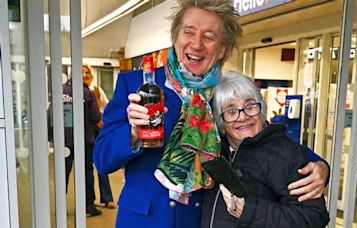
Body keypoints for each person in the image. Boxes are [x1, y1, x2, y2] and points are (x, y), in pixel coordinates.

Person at [94, 0, 329, 227]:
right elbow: (102, 160)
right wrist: (133, 132)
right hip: (143, 221)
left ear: (221, 50)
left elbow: (264, 139)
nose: (196, 44)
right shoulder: (137, 85)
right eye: (189, 32)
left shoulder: (225, 96)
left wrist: (319, 165)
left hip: (198, 219)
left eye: (209, 36)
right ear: (175, 37)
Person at [201, 72, 330, 227]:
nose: (242, 117)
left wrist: (250, 211)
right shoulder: (213, 151)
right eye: (231, 111)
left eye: (250, 106)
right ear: (220, 121)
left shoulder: (285, 154)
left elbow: (315, 217)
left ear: (261, 109)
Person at [62, 69, 102, 216]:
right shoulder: (87, 93)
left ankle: (60, 203)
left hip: (64, 141)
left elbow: (50, 115)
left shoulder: (61, 91)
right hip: (84, 140)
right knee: (86, 172)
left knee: (63, 172)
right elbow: (95, 117)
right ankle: (88, 205)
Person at [82, 64, 116, 209]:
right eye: (82, 72)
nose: (85, 75)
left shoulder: (96, 90)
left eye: (87, 72)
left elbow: (107, 108)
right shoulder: (76, 92)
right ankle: (89, 201)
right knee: (87, 168)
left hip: (98, 131)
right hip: (85, 133)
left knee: (102, 165)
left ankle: (107, 198)